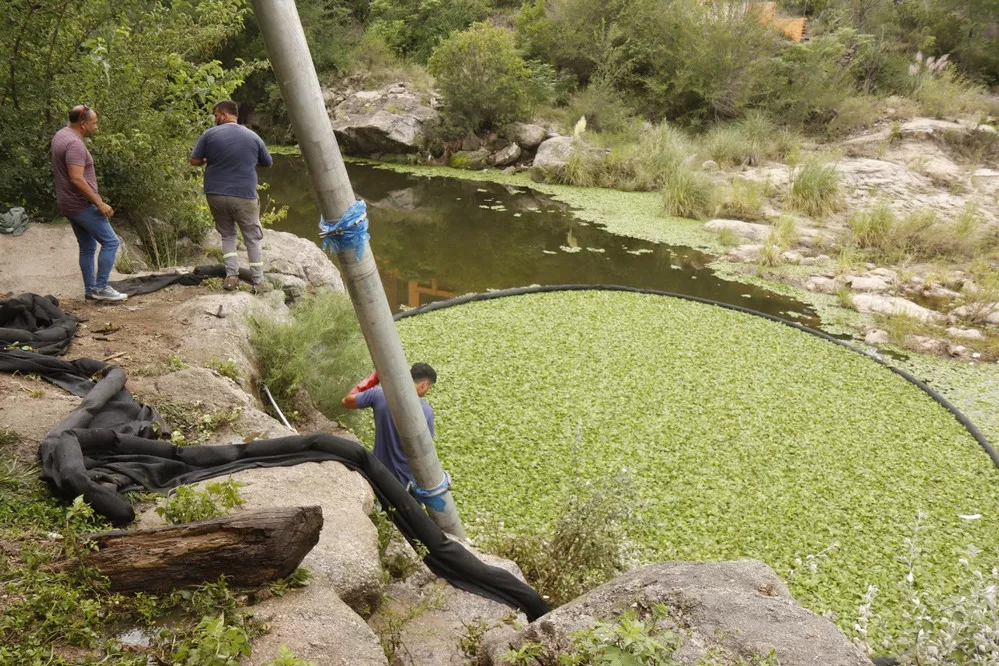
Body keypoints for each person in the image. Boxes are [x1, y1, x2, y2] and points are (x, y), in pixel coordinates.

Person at [189, 100, 273, 292]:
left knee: (227, 235)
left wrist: (207, 159)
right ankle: (258, 282)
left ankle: (231, 277)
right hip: (244, 195)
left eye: (216, 115)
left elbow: (194, 160)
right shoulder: (253, 136)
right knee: (252, 237)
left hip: (216, 194)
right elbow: (267, 162)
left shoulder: (209, 134)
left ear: (225, 114)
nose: (215, 118)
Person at [50, 105, 127, 302]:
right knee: (111, 242)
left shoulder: (61, 134)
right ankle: (101, 288)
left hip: (67, 203)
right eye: (94, 123)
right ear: (83, 124)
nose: (96, 126)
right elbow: (76, 179)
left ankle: (91, 290)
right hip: (81, 204)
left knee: (87, 246)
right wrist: (99, 203)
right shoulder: (74, 145)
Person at [342, 363, 437, 487]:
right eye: (429, 387)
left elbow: (346, 401)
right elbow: (425, 450)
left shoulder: (379, 394)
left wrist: (375, 377)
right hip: (404, 484)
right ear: (425, 384)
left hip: (376, 474)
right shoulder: (427, 412)